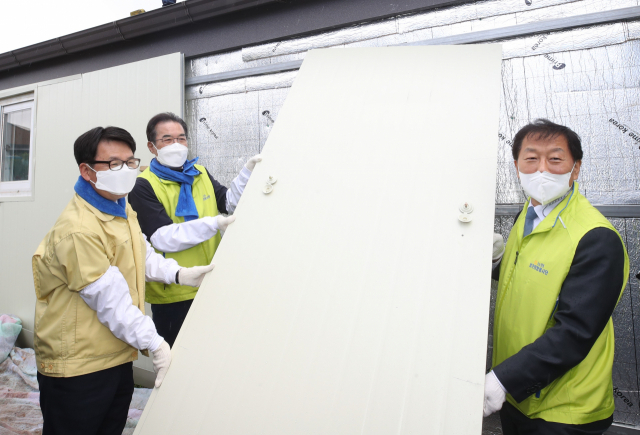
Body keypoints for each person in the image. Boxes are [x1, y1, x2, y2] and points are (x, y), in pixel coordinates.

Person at [32, 126, 215, 435]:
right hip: (77, 365)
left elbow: (140, 253)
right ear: (87, 171)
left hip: (114, 354)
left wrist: (178, 274)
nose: (127, 170)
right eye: (114, 164)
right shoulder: (78, 229)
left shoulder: (120, 207)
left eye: (131, 162)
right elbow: (111, 302)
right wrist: (156, 344)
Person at [483, 119, 629, 434]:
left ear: (575, 169)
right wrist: (497, 262)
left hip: (564, 411)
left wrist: (503, 379)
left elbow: (575, 332)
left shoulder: (596, 237)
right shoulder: (529, 214)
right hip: (520, 396)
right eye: (531, 158)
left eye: (555, 159)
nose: (542, 170)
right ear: (517, 166)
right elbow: (529, 280)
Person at [128, 112, 261, 347]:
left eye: (181, 138)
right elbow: (162, 238)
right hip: (174, 291)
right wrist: (212, 224)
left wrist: (247, 172)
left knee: (215, 351)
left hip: (211, 282)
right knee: (180, 359)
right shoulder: (143, 185)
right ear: (151, 146)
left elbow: (228, 202)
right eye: (167, 139)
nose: (176, 145)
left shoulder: (198, 173)